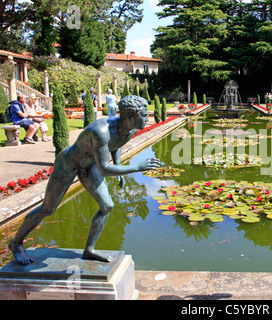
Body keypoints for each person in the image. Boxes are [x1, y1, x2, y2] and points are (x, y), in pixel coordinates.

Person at [9, 95, 160, 265]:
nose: (148, 119)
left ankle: (89, 250)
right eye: (145, 115)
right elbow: (104, 169)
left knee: (107, 206)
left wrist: (119, 168)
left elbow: (116, 145)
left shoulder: (131, 129)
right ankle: (16, 243)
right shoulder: (101, 131)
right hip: (69, 163)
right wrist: (137, 167)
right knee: (48, 209)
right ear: (130, 117)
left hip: (90, 164)